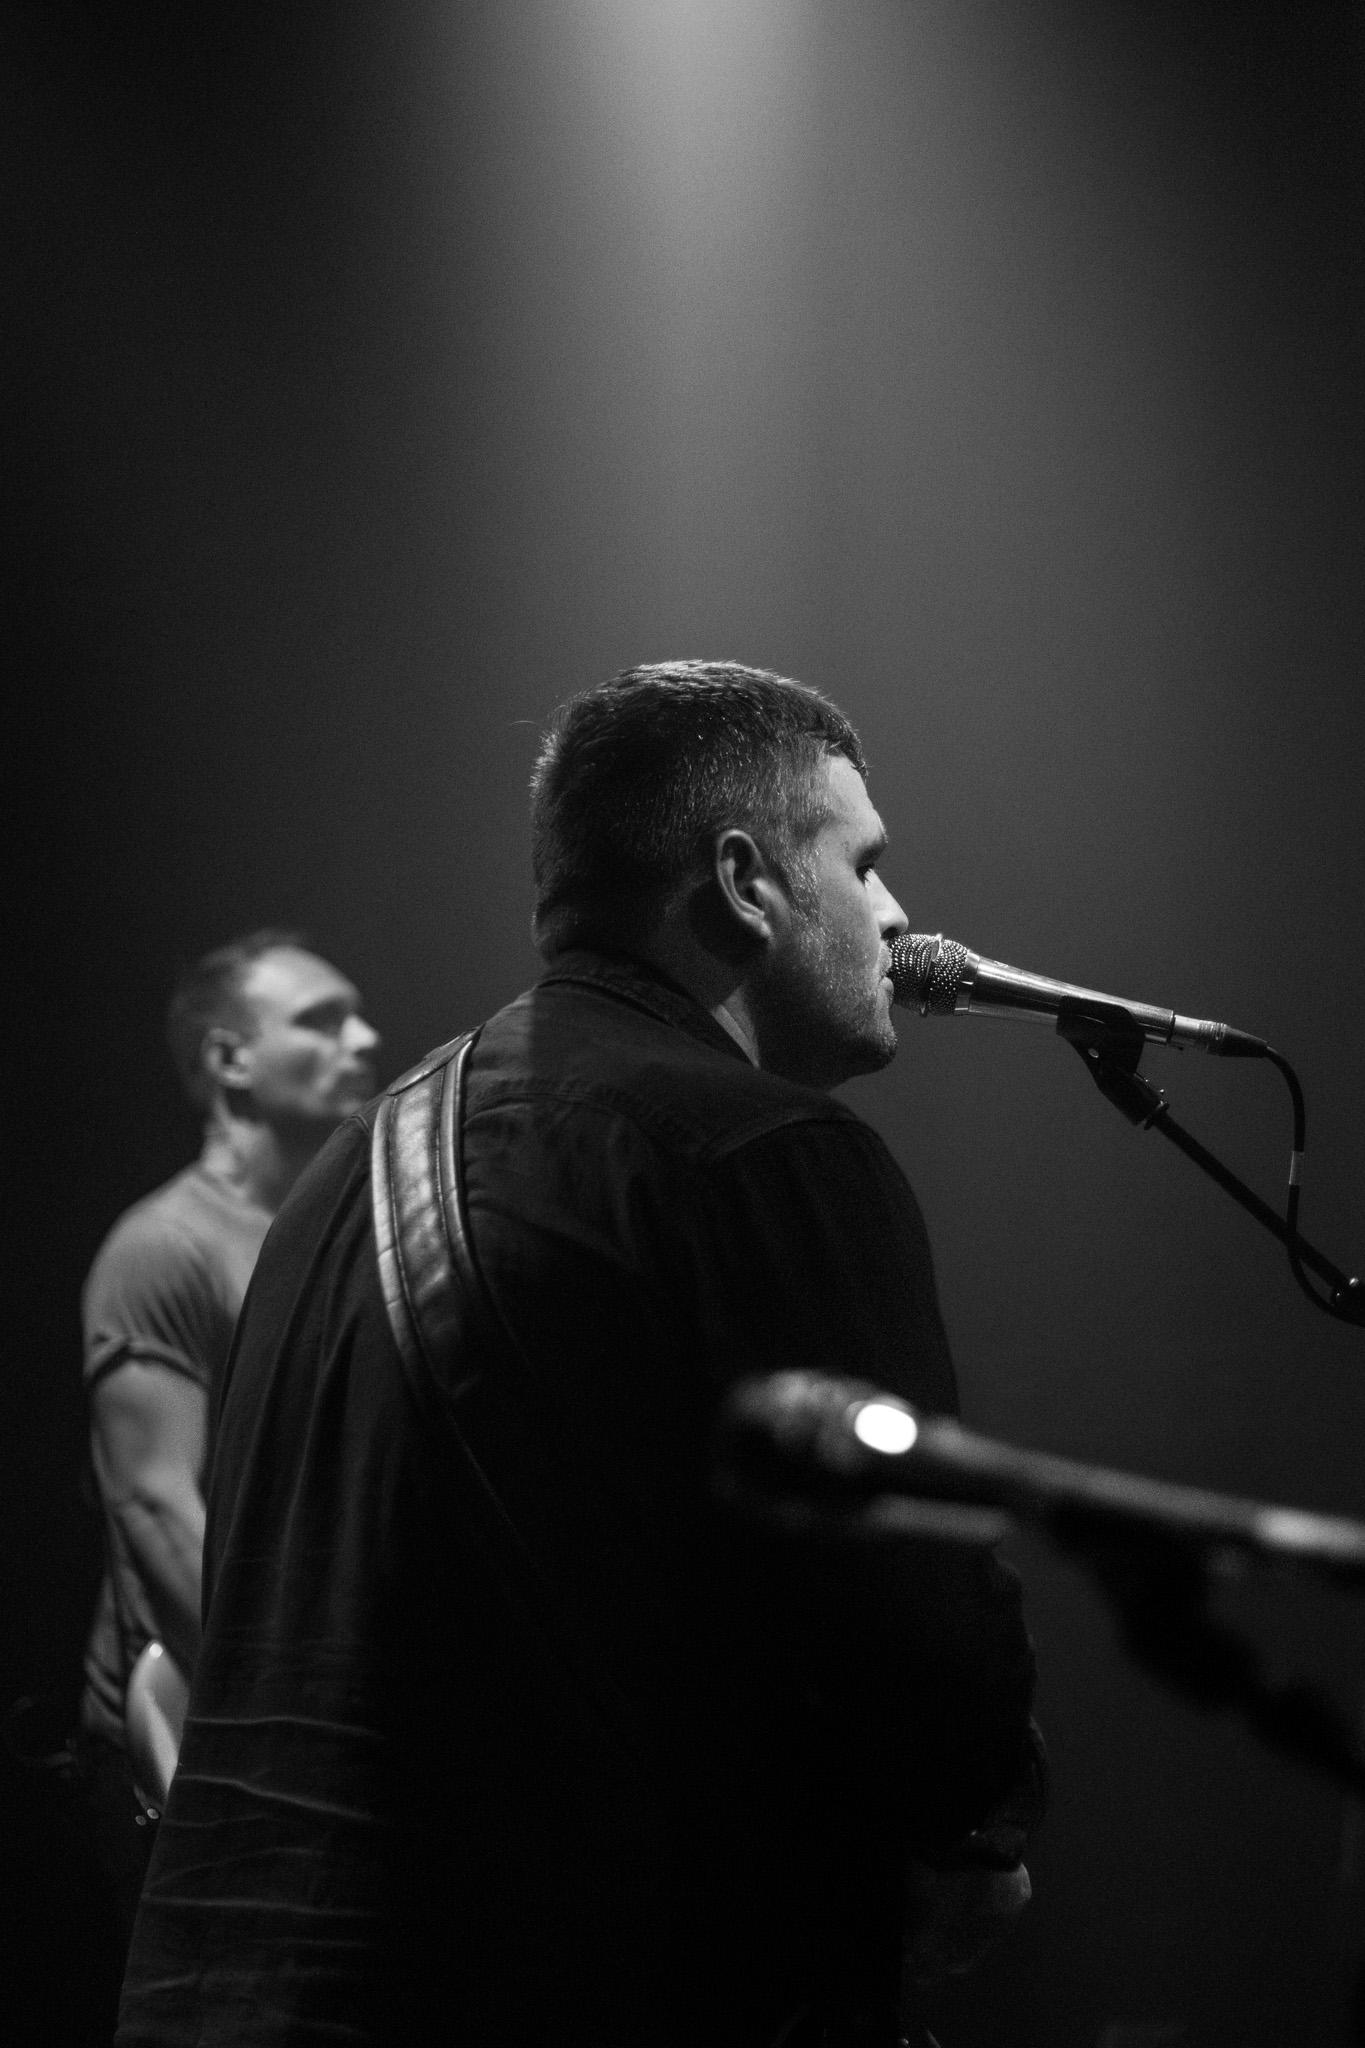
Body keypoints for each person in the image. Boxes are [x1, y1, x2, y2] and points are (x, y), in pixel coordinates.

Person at [117, 664, 1043, 2048]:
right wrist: (974, 1825)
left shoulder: (337, 1181)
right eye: (863, 864)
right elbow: (912, 1611)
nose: (897, 914)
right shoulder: (763, 1151)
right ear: (745, 882)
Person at [78, 931, 381, 1961]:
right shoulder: (163, 1246)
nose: (364, 1038)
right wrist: (286, 1712)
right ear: (228, 1058)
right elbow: (153, 1503)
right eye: (321, 1020)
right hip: (199, 1740)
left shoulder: (342, 1236)